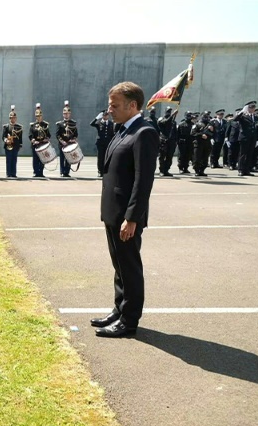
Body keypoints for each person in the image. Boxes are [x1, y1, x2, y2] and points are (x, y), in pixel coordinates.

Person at [92, 81, 158, 338]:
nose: (110, 109)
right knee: (118, 265)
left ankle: (129, 320)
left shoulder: (144, 133)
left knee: (129, 267)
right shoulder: (122, 130)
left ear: (133, 106)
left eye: (115, 105)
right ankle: (119, 309)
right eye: (110, 104)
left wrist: (132, 218)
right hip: (113, 212)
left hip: (126, 217)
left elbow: (144, 181)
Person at [233, 101, 258, 176]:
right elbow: (235, 119)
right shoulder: (243, 115)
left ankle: (247, 170)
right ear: (247, 108)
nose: (253, 109)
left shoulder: (255, 116)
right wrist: (241, 112)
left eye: (254, 107)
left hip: (252, 138)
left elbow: (255, 128)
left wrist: (256, 139)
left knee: (249, 154)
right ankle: (241, 170)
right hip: (244, 137)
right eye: (251, 107)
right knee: (243, 154)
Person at [56, 100, 78, 178]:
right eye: (65, 114)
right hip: (63, 144)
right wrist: (62, 141)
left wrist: (74, 139)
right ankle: (62, 171)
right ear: (63, 114)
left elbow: (75, 134)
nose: (66, 115)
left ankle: (67, 172)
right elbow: (57, 135)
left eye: (68, 113)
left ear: (70, 114)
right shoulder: (59, 124)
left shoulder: (73, 123)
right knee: (62, 158)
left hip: (70, 143)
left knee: (69, 158)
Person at [29, 103, 51, 178]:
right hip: (35, 144)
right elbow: (30, 135)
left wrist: (46, 139)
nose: (39, 117)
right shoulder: (33, 125)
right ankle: (36, 172)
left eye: (40, 116)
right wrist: (33, 140)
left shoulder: (45, 125)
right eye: (37, 116)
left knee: (42, 159)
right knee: (35, 159)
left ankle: (41, 172)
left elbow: (48, 135)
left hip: (43, 144)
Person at [90, 109, 115, 177]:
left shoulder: (111, 123)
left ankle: (106, 171)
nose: (105, 116)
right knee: (100, 157)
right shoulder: (99, 123)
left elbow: (112, 133)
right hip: (100, 143)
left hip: (108, 142)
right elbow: (91, 124)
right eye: (104, 115)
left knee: (106, 157)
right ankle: (100, 171)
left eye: (107, 115)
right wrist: (97, 118)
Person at [157, 107, 178, 177]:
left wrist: (175, 141)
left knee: (169, 156)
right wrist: (172, 115)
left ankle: (166, 170)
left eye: (170, 111)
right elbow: (165, 122)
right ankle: (162, 170)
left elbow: (175, 132)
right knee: (162, 156)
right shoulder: (161, 119)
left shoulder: (173, 122)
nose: (169, 113)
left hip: (171, 141)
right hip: (164, 140)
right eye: (168, 111)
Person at [191, 112, 214, 176]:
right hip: (198, 144)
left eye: (207, 116)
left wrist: (212, 130)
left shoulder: (210, 124)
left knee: (205, 159)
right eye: (205, 116)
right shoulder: (197, 124)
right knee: (197, 158)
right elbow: (193, 133)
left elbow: (213, 134)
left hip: (207, 144)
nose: (206, 117)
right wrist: (201, 135)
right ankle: (197, 171)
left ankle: (202, 170)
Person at [2, 105, 23, 178]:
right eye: (11, 118)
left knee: (14, 159)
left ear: (16, 118)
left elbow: (20, 137)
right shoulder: (6, 127)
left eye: (14, 118)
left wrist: (20, 145)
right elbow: (3, 136)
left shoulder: (19, 127)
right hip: (8, 145)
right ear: (9, 118)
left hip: (16, 145)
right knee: (8, 160)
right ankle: (8, 173)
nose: (13, 119)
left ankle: (13, 173)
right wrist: (6, 140)